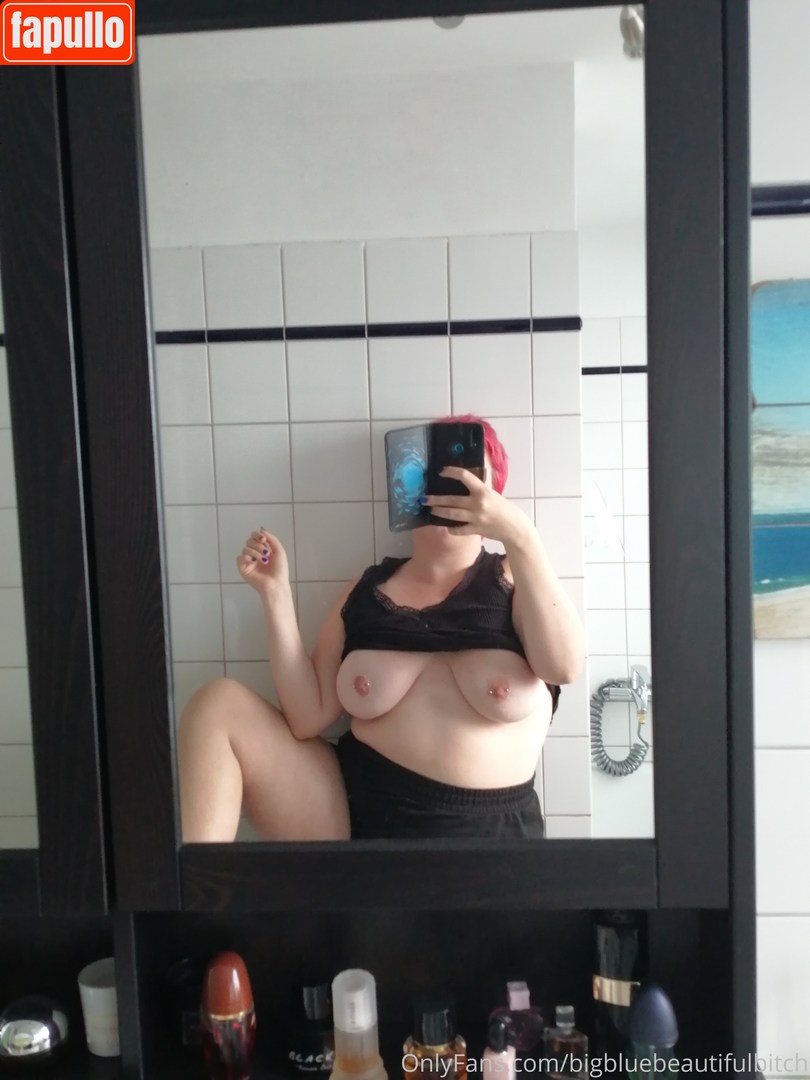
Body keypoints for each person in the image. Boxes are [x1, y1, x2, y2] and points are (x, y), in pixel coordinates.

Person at [178, 415, 584, 842]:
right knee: (217, 705)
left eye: (465, 477)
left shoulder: (517, 579)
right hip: (356, 832)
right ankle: (194, 887)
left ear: (493, 496)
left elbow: (564, 666)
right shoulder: (367, 590)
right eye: (431, 472)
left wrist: (520, 534)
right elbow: (306, 718)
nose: (447, 487)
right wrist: (275, 592)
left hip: (487, 847)